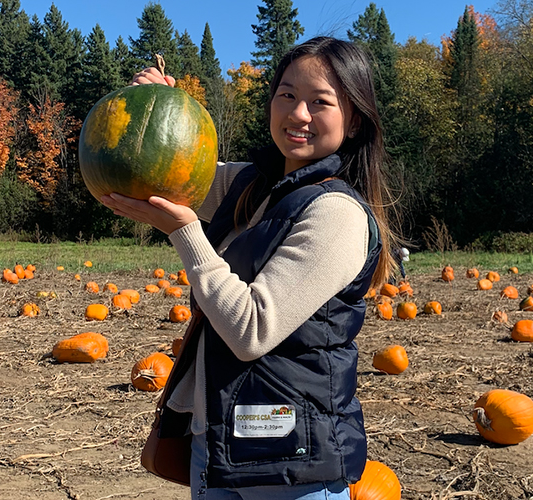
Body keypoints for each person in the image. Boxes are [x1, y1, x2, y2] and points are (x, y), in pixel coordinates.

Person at [101, 36, 399, 499]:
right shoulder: (251, 185)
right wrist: (154, 106)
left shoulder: (337, 214)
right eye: (287, 95)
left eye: (320, 102)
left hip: (291, 467)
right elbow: (165, 173)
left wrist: (185, 233)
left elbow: (251, 330)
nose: (299, 114)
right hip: (220, 443)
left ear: (354, 118)